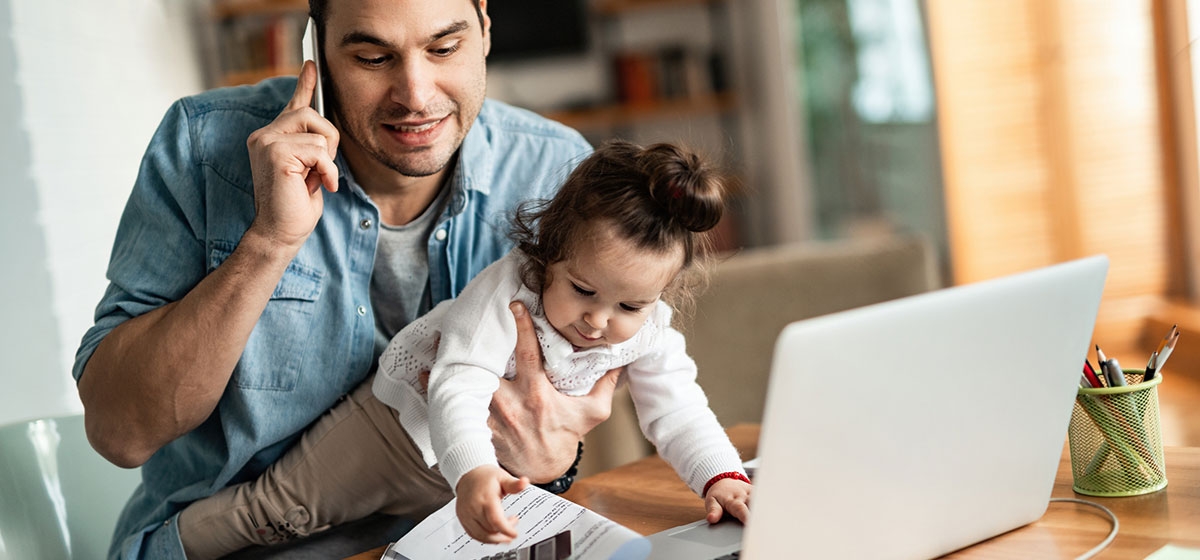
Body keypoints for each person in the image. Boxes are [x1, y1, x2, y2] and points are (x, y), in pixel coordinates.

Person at [71, 1, 617, 558]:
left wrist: (554, 460)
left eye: (444, 49)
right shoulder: (203, 148)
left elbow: (559, 421)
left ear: (484, 26)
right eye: (374, 57)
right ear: (317, 53)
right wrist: (269, 242)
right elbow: (121, 433)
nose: (416, 95)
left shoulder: (555, 171)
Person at [176, 140, 754, 558]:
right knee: (277, 514)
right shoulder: (509, 291)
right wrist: (474, 472)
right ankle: (162, 547)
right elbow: (458, 383)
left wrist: (720, 478)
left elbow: (677, 409)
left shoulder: (651, 330)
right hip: (394, 431)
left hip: (474, 474)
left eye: (631, 306)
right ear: (549, 252)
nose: (600, 321)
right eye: (583, 290)